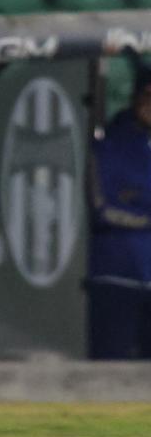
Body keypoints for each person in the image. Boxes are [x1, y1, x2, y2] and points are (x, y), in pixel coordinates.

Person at [88, 65, 151, 358]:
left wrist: (136, 202)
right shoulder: (111, 144)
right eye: (148, 95)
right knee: (111, 363)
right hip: (117, 274)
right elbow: (103, 207)